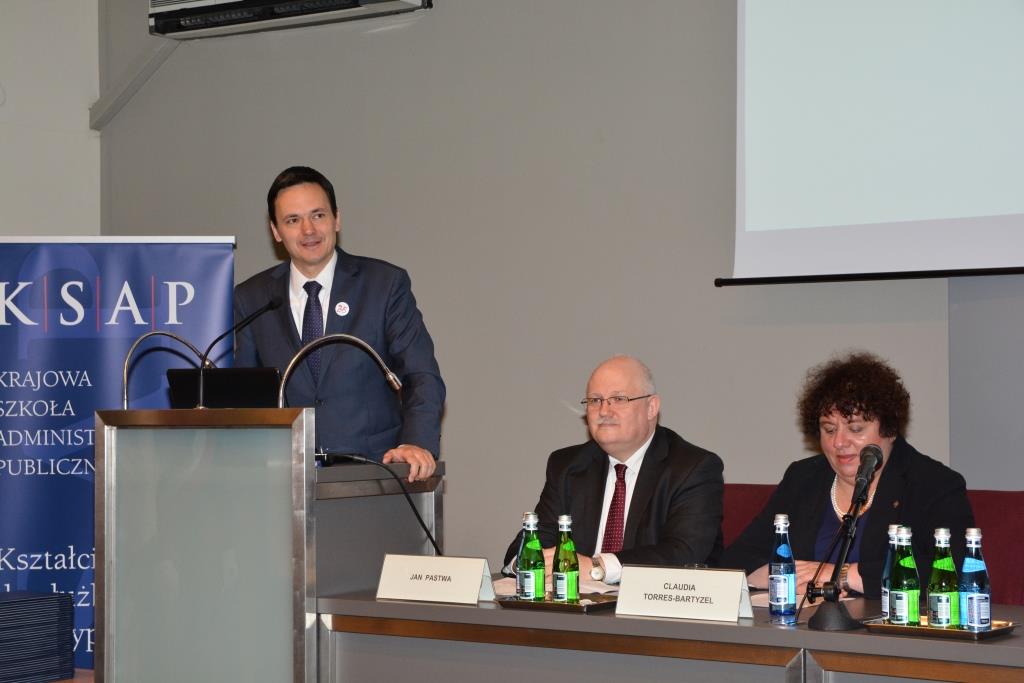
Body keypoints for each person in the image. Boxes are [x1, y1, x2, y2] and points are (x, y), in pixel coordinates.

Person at [234, 166, 445, 481]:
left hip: (375, 474)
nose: (308, 230)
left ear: (337, 219)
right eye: (293, 220)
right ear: (276, 231)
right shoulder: (252, 298)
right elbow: (246, 399)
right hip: (284, 480)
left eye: (318, 215)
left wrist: (415, 442)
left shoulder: (384, 285)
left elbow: (421, 375)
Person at [721, 352, 974, 598]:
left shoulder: (933, 484)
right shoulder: (803, 478)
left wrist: (843, 575)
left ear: (889, 429)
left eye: (855, 428)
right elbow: (736, 560)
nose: (839, 442)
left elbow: (952, 570)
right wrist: (782, 575)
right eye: (829, 429)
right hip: (804, 622)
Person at [503, 355, 724, 583]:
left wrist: (598, 567)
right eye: (595, 400)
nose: (604, 411)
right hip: (576, 601)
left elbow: (683, 553)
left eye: (618, 399)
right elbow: (534, 540)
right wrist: (526, 562)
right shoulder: (567, 466)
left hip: (655, 600)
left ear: (651, 408)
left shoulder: (692, 468)